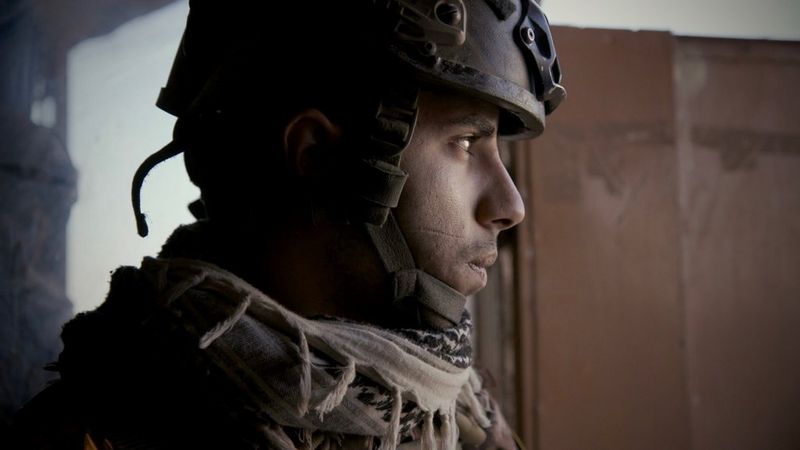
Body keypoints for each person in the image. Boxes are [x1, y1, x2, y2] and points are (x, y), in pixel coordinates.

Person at [11, 0, 564, 448]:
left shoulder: (460, 411)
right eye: (467, 143)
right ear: (318, 156)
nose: (510, 205)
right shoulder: (107, 425)